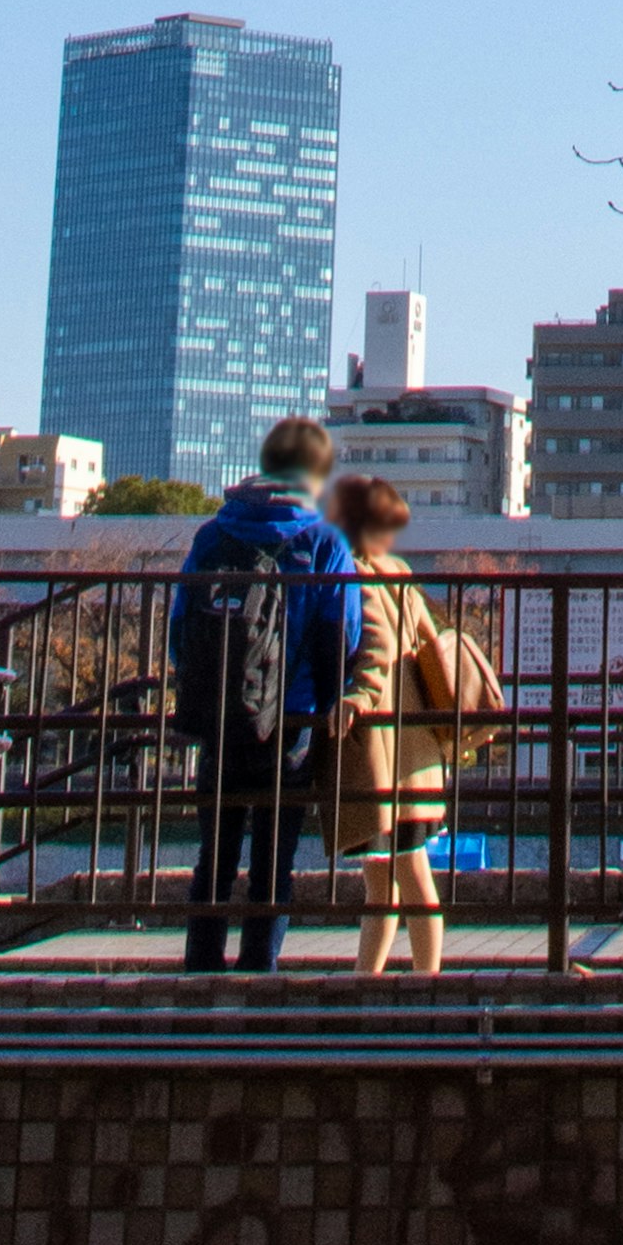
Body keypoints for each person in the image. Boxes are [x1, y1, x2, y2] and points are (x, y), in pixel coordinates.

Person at [171, 411, 362, 971]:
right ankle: (258, 974)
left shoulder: (213, 536)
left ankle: (201, 971)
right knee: (273, 859)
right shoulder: (323, 541)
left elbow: (181, 630)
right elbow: (343, 630)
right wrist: (330, 701)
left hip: (218, 718)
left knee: (216, 852)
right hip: (292, 722)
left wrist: (205, 687)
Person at [328, 473, 497, 979]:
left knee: (398, 875)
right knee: (392, 876)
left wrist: (356, 694)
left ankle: (423, 983)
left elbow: (376, 646)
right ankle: (374, 979)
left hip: (386, 748)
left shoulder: (357, 574)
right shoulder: (397, 571)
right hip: (419, 748)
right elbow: (434, 642)